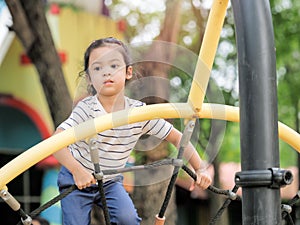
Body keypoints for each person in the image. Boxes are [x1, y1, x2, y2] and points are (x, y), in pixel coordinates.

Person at [53, 37, 212, 225]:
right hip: (76, 179)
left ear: (128, 72)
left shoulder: (138, 113)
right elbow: (57, 142)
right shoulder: (86, 109)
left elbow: (177, 137)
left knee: (127, 219)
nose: (106, 73)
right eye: (97, 68)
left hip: (110, 181)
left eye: (113, 65)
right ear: (88, 77)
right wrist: (77, 170)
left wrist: (200, 167)